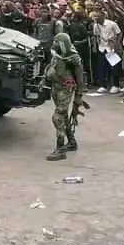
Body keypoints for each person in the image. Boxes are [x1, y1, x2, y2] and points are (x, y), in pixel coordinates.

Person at [44, 32, 88, 161]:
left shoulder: (73, 58)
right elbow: (51, 65)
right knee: (63, 116)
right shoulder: (56, 53)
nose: (54, 44)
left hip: (65, 89)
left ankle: (60, 148)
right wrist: (44, 78)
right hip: (56, 88)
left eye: (57, 42)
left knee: (57, 117)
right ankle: (72, 142)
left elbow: (80, 80)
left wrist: (79, 97)